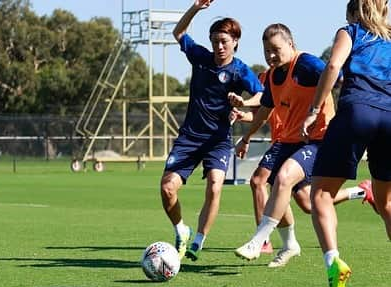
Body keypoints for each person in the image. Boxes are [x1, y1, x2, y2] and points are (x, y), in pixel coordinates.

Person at [301, 0, 391, 287]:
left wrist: (315, 109)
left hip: (358, 111)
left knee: (321, 195)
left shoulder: (351, 30)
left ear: (354, 13)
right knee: (386, 203)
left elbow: (333, 66)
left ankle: (333, 263)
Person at [160, 0, 264, 262]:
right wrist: (195, 8)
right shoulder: (202, 58)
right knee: (167, 189)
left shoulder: (240, 71)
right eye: (215, 41)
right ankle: (181, 230)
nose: (219, 46)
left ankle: (198, 241)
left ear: (235, 42)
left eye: (224, 41)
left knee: (215, 186)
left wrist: (244, 103)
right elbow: (179, 34)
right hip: (189, 138)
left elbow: (262, 96)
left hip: (218, 140)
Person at [232, 23, 337, 265]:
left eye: (275, 49)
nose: (270, 56)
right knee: (263, 181)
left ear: (290, 45)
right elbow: (265, 111)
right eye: (266, 50)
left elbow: (336, 76)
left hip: (318, 139)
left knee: (287, 181)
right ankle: (289, 244)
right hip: (288, 140)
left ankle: (259, 240)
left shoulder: (307, 64)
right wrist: (246, 137)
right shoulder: (271, 76)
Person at [231, 101, 374, 268]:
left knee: (270, 180)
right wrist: (246, 117)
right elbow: (264, 109)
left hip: (306, 141)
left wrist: (246, 102)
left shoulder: (308, 75)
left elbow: (325, 84)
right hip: (283, 140)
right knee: (305, 202)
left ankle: (261, 240)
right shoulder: (269, 79)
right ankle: (361, 191)